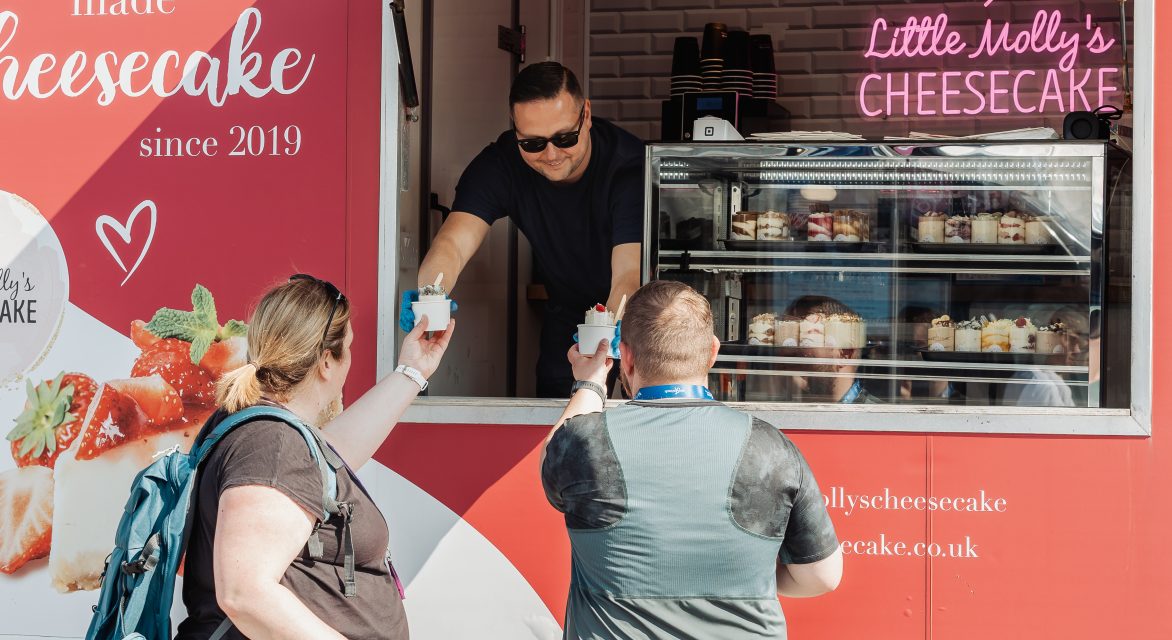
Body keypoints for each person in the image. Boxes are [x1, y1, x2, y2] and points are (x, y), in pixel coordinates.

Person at [541, 280, 842, 640]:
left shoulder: (583, 443)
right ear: (712, 352)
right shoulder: (769, 447)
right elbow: (822, 576)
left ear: (627, 357)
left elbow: (552, 453)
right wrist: (746, 573)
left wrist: (590, 383)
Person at [175, 275, 455, 640]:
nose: (350, 359)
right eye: (348, 347)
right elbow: (244, 594)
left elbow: (331, 455)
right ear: (326, 362)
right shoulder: (271, 445)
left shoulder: (277, 437)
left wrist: (412, 371)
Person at [401, 61, 644, 397]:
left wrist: (606, 332)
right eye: (532, 144)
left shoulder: (628, 168)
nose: (551, 154)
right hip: (566, 308)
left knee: (637, 414)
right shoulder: (501, 165)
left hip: (634, 309)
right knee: (555, 415)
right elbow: (453, 244)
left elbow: (629, 274)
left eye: (565, 138)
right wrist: (430, 294)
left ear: (586, 115)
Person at [784, 295, 881, 404]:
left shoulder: (875, 413)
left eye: (806, 341)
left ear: (845, 354)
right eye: (789, 341)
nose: (789, 351)